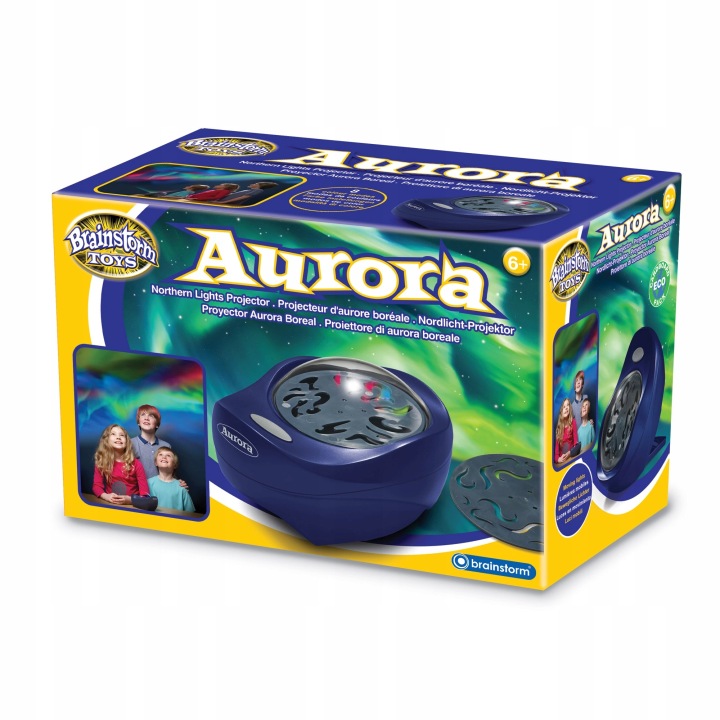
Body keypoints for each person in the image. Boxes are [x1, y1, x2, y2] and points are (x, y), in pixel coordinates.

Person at [92, 425, 149, 505]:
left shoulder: (136, 464)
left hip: (132, 506)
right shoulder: (101, 462)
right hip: (110, 504)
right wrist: (106, 496)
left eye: (122, 435)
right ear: (106, 440)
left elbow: (145, 494)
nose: (118, 437)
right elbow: (97, 486)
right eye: (113, 434)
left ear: (127, 441)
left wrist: (130, 500)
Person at [148, 448, 196, 512]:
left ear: (175, 465)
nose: (164, 457)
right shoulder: (148, 483)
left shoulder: (181, 487)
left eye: (168, 455)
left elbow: (190, 513)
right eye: (160, 454)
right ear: (156, 462)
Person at [130, 404, 170, 479]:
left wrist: (177, 482)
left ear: (157, 424)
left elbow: (169, 473)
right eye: (143, 415)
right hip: (138, 486)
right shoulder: (130, 444)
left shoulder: (166, 446)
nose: (146, 418)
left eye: (151, 416)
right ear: (138, 422)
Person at [554, 398, 578, 465]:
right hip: (562, 462)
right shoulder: (559, 429)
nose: (566, 408)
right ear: (561, 412)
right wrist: (558, 459)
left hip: (571, 458)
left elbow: (576, 444)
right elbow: (556, 454)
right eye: (564, 407)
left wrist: (570, 453)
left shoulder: (573, 422)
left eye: (568, 405)